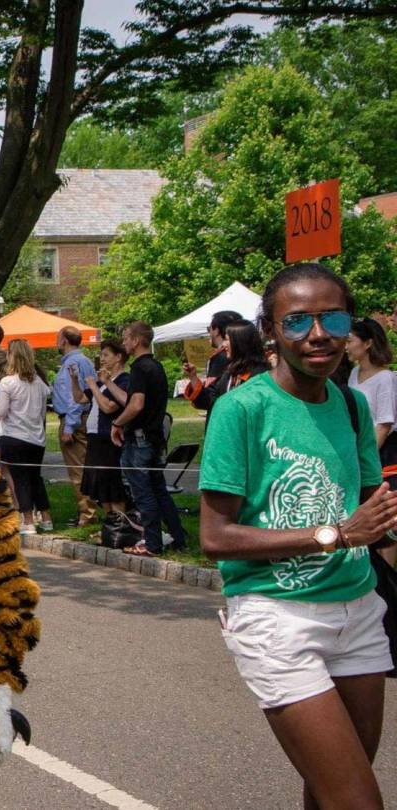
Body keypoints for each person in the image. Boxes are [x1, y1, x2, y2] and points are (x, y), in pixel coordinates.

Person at [199, 263, 394, 810]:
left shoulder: (354, 407)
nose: (318, 335)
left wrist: (371, 530)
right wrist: (335, 534)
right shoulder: (243, 409)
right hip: (278, 619)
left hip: (358, 614)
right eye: (297, 322)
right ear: (270, 332)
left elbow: (374, 519)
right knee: (357, 800)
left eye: (333, 318)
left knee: (331, 787)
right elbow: (215, 538)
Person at [112, 321, 188, 556]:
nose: (124, 342)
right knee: (158, 489)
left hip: (140, 438)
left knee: (142, 491)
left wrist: (117, 423)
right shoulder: (156, 366)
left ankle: (152, 542)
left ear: (136, 340)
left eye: (126, 337)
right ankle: (178, 536)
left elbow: (136, 404)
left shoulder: (140, 368)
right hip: (155, 437)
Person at [0, 339, 52, 535]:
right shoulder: (40, 383)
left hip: (14, 435)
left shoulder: (7, 382)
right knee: (35, 477)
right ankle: (46, 517)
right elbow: (43, 413)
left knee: (20, 480)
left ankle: (28, 521)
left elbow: (0, 411)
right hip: (36, 438)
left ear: (12, 356)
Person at [77, 339, 130, 517]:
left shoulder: (123, 380)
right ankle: (110, 523)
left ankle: (121, 523)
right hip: (94, 437)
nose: (103, 358)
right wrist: (74, 380)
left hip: (108, 437)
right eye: (102, 354)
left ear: (118, 357)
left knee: (111, 484)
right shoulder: (102, 381)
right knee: (99, 485)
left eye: (106, 355)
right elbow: (80, 398)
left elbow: (108, 406)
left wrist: (95, 385)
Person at [53, 326, 98, 527]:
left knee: (77, 469)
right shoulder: (86, 361)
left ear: (64, 340)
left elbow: (73, 397)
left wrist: (69, 427)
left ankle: (86, 514)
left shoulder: (71, 364)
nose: (56, 341)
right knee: (87, 466)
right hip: (87, 417)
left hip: (74, 418)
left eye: (58, 337)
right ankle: (90, 509)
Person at [347, 317, 396, 489]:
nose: (346, 347)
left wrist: (365, 458)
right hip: (359, 447)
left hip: (381, 455)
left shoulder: (385, 379)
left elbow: (384, 425)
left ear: (367, 343)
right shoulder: (354, 372)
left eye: (350, 341)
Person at [187, 320, 266, 413]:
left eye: (227, 339)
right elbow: (209, 400)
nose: (224, 345)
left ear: (240, 343)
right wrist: (193, 377)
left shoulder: (261, 376)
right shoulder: (230, 374)